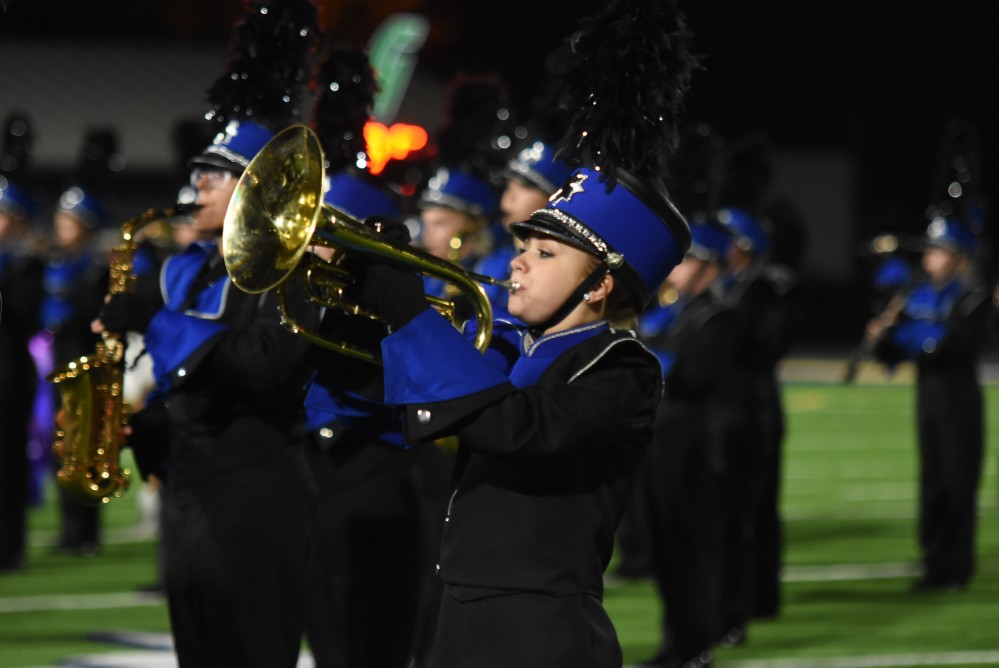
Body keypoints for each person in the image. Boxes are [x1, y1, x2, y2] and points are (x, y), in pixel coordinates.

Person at [316, 1, 698, 663]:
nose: (519, 258)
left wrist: (408, 313)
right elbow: (382, 397)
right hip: (457, 610)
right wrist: (352, 303)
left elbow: (519, 427)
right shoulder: (503, 343)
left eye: (547, 255)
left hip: (541, 629)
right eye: (524, 245)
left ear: (600, 283)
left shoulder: (621, 370)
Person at [92, 2, 320, 664]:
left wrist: (154, 322)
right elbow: (200, 380)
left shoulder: (290, 272)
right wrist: (143, 428)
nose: (196, 186)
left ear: (252, 185)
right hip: (194, 495)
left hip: (257, 496)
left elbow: (261, 366)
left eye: (212, 175)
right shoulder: (194, 272)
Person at [868, 217, 992, 592]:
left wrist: (909, 335)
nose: (930, 257)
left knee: (957, 481)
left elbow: (948, 344)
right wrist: (883, 338)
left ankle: (957, 566)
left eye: (938, 251)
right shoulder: (917, 293)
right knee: (934, 480)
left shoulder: (973, 296)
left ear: (957, 257)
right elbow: (901, 348)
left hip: (959, 397)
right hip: (929, 394)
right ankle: (934, 560)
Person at [637, 220, 740, 668]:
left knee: (691, 548)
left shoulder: (719, 317)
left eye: (689, 261)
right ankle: (674, 644)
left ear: (711, 267)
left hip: (696, 447)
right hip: (660, 443)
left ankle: (697, 645)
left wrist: (648, 359)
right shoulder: (667, 311)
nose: (676, 270)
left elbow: (691, 377)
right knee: (663, 547)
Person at [41, 184, 112, 556]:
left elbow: (93, 314)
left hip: (85, 363)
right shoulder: (55, 263)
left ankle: (87, 530)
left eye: (70, 222)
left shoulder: (97, 268)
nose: (62, 228)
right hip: (61, 362)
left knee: (87, 446)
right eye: (60, 221)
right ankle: (71, 528)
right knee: (63, 445)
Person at [475, 138, 574, 318]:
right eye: (509, 186)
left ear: (554, 198)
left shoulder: (557, 274)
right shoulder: (492, 263)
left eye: (525, 187)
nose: (509, 197)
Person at [0, 176, 45, 572]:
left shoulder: (26, 265)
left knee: (9, 462)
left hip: (9, 377)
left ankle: (10, 547)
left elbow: (23, 317)